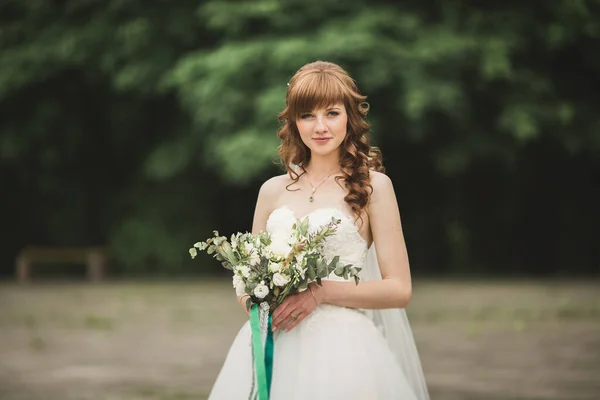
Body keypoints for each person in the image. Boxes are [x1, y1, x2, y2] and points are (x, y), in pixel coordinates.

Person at [208, 61, 430, 399]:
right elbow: (245, 280)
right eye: (307, 115)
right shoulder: (272, 190)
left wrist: (321, 292)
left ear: (349, 118)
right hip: (272, 344)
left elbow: (399, 289)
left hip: (343, 353)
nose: (320, 126)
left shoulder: (374, 187)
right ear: (294, 122)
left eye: (332, 113)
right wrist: (262, 305)